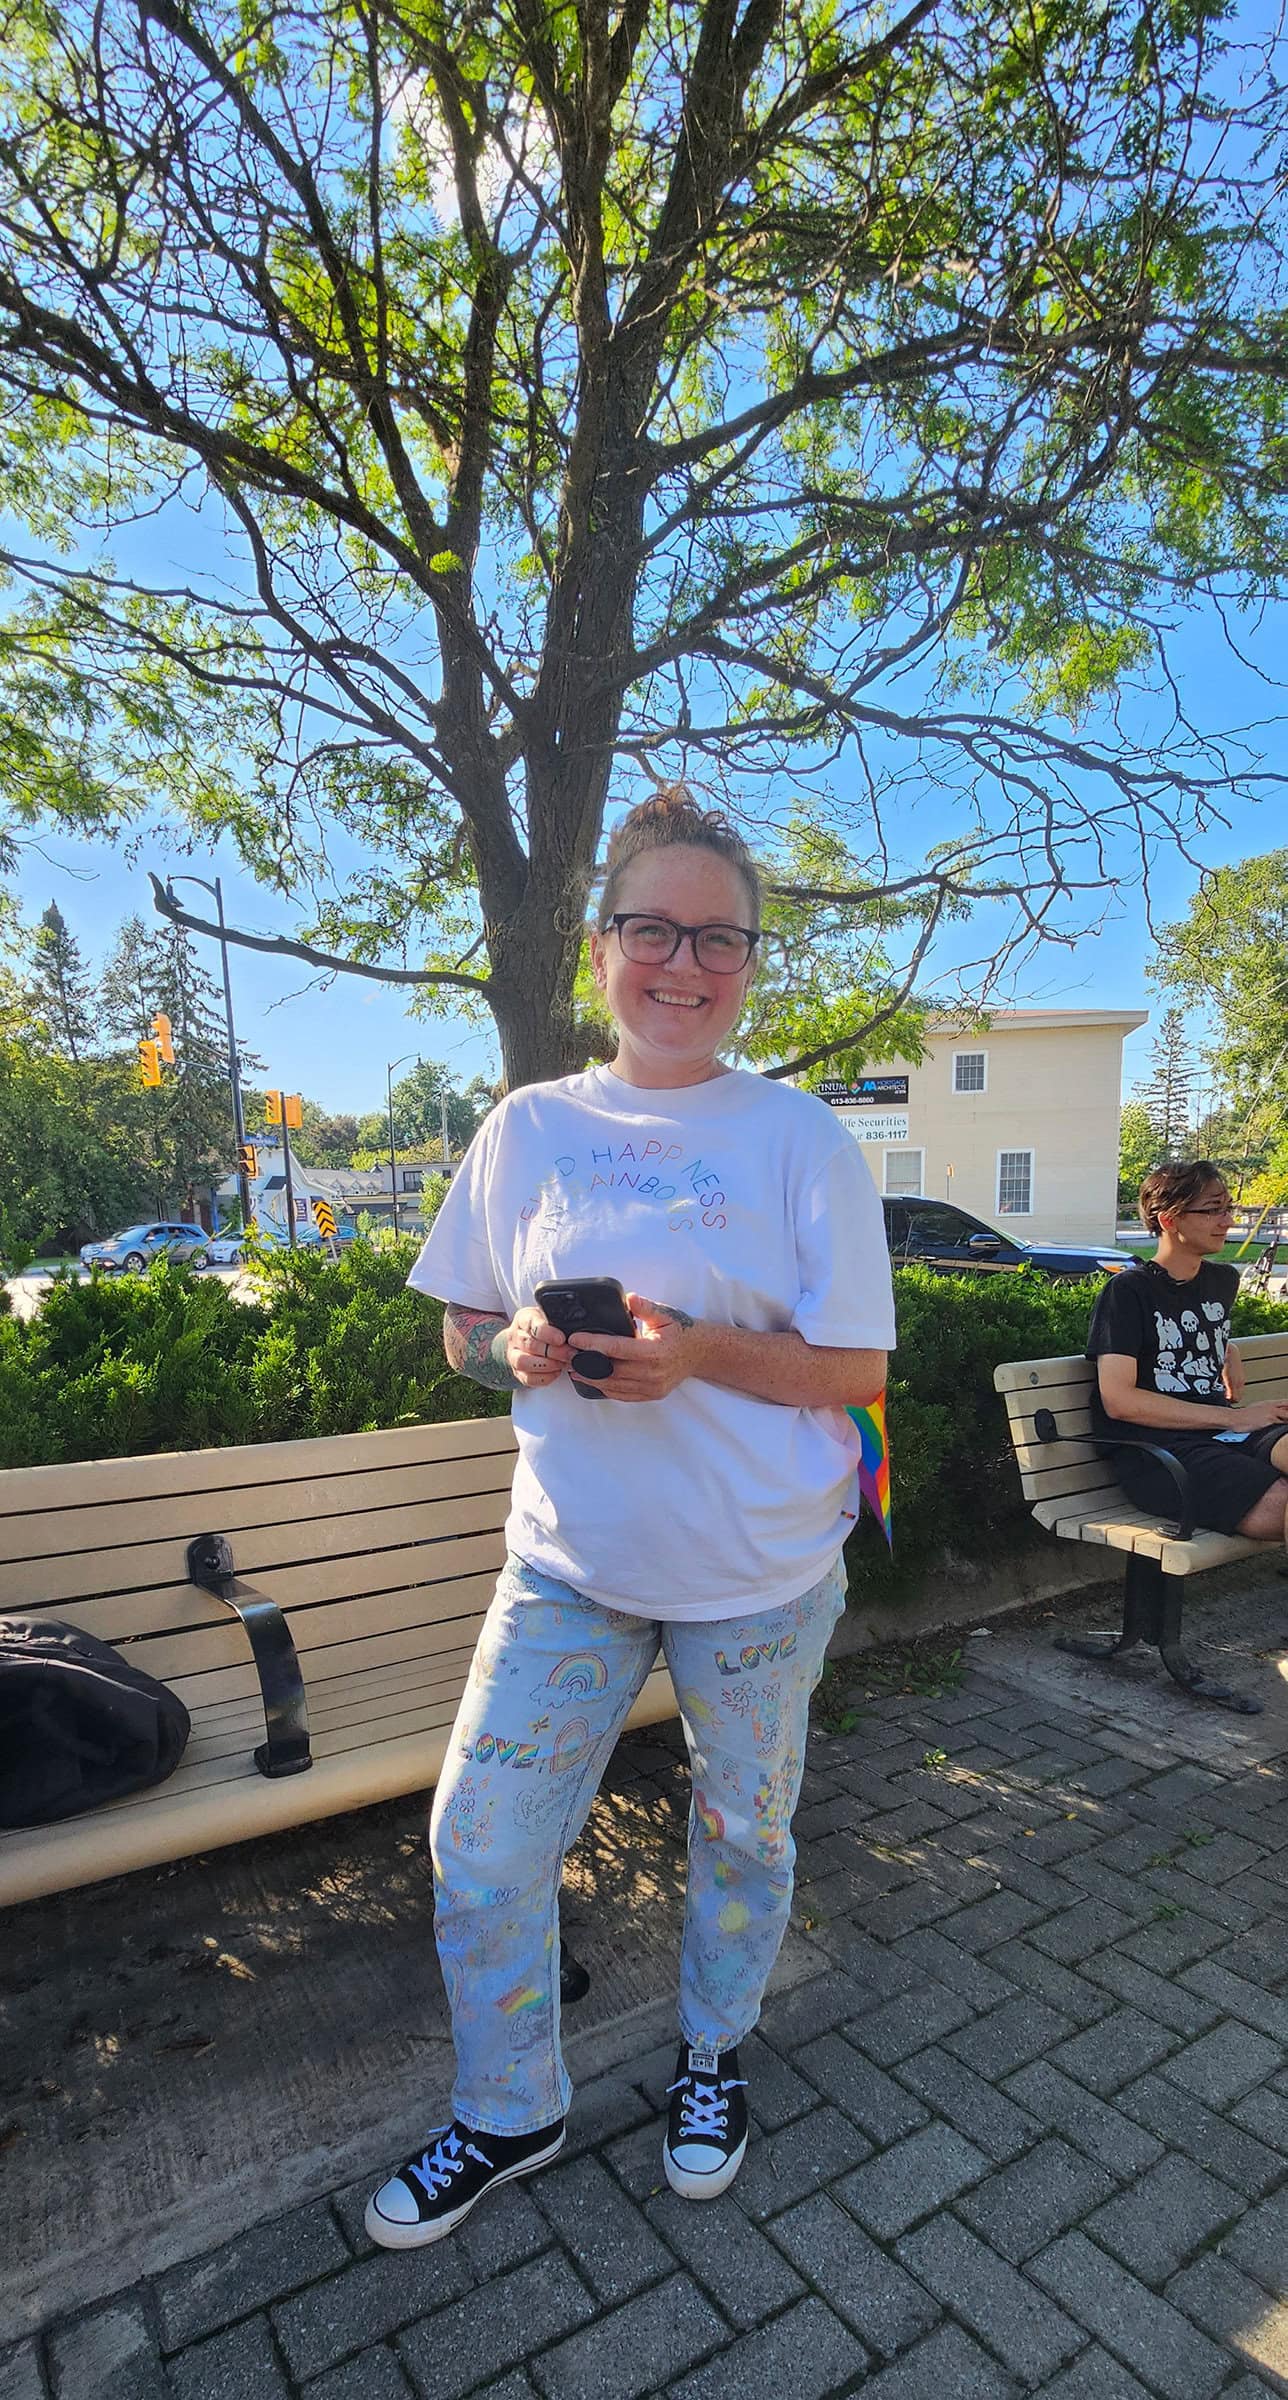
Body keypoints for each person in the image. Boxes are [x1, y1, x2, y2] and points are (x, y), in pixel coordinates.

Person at [365, 788, 894, 2248]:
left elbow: (858, 1370)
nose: (685, 962)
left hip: (761, 1572)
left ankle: (712, 2057)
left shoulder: (802, 1140)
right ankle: (509, 2107)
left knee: (744, 1833)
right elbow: (464, 1328)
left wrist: (702, 1353)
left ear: (749, 961)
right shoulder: (527, 1127)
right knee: (480, 1847)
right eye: (651, 927)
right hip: (570, 1567)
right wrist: (514, 1347)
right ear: (600, 948)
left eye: (718, 937)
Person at [1086, 1159, 1288, 1541]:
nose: (1226, 1221)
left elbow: (1183, 1328)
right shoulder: (1128, 1292)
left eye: (1228, 1208)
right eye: (1213, 1210)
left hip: (1218, 1432)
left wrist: (1229, 1350)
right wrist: (1234, 1418)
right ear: (1169, 1220)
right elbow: (1119, 1401)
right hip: (1157, 1451)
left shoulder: (1221, 1280)